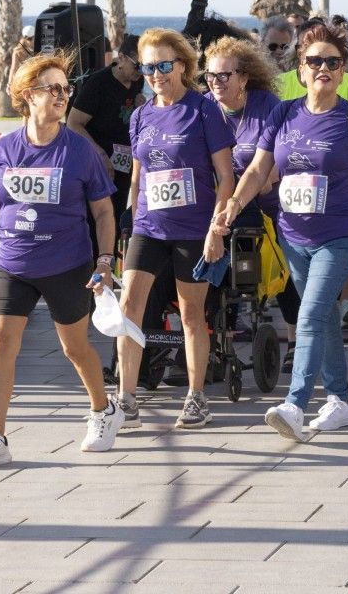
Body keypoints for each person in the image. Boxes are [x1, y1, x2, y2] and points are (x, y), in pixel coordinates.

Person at [218, 23, 348, 440]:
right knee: (324, 316)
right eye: (314, 60)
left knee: (312, 313)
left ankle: (295, 404)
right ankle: (338, 400)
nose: (323, 68)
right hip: (292, 236)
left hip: (340, 234)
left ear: (343, 71)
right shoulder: (283, 113)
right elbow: (260, 168)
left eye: (332, 62)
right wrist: (233, 204)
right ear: (300, 69)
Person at [0, 53, 122, 467]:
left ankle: (104, 410)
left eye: (65, 89)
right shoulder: (5, 149)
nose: (62, 96)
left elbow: (104, 212)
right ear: (27, 95)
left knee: (74, 348)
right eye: (52, 89)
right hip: (12, 263)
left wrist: (105, 261)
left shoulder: (79, 151)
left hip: (67, 263)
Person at [113, 28, 237, 429]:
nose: (156, 74)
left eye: (164, 65)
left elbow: (225, 177)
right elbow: (138, 174)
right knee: (129, 306)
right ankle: (125, 396)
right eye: (149, 66)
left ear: (182, 66)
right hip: (149, 226)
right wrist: (128, 219)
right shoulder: (140, 114)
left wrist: (216, 229)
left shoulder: (203, 111)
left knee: (190, 313)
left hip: (192, 228)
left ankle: (196, 395)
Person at [200, 35, 297, 360]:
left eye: (224, 75)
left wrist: (264, 180)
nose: (215, 82)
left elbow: (276, 162)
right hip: (221, 205)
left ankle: (296, 340)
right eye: (210, 75)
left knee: (287, 272)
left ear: (243, 77)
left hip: (268, 203)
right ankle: (213, 339)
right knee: (213, 261)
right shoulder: (205, 107)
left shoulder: (266, 106)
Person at [68, 33, 146, 234]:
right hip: (98, 163)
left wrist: (141, 106)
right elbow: (73, 124)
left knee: (117, 217)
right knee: (96, 222)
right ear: (121, 58)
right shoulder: (98, 84)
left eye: (146, 67)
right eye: (138, 65)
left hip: (124, 163)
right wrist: (100, 155)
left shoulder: (138, 80)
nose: (142, 72)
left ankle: (109, 262)